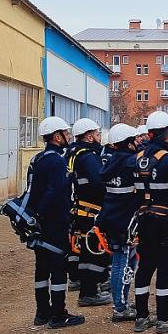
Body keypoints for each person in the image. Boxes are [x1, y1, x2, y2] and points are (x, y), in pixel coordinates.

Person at [132, 111, 168, 334]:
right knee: (164, 266)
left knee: (145, 265)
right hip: (165, 220)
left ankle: (141, 316)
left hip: (143, 218)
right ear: (167, 135)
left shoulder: (136, 159)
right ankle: (164, 317)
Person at [25, 117, 86, 328]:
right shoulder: (57, 161)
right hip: (53, 222)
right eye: (66, 133)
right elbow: (54, 192)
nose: (69, 136)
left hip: (37, 222)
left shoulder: (38, 159)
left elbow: (33, 191)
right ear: (57, 136)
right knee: (58, 266)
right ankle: (59, 314)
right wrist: (46, 215)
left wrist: (36, 217)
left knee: (41, 268)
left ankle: (42, 313)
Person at [65, 117, 112, 307]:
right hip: (90, 211)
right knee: (94, 252)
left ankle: (86, 286)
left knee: (84, 251)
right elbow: (99, 182)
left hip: (79, 209)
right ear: (90, 136)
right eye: (98, 134)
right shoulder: (88, 156)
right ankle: (89, 292)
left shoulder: (72, 153)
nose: (100, 137)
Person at [96, 123, 141, 322]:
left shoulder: (110, 162)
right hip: (126, 221)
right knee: (123, 262)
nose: (137, 143)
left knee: (120, 261)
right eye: (134, 140)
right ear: (128, 142)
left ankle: (120, 303)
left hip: (111, 218)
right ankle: (120, 307)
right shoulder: (130, 162)